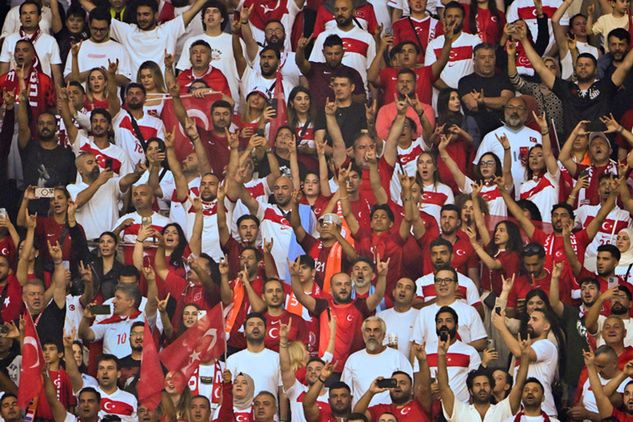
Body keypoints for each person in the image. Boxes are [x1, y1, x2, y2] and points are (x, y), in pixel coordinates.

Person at [437, 324, 530, 420]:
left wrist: (525, 356)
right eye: (477, 385)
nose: (482, 388)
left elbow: (519, 386)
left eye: (485, 384)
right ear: (470, 391)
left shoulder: (503, 409)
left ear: (491, 389)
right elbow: (444, 387)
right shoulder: (460, 410)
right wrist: (441, 355)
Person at [342, 316, 413, 406]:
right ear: (363, 334)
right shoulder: (353, 359)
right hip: (362, 417)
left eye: (376, 330)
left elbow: (409, 390)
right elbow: (346, 394)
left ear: (383, 335)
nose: (372, 334)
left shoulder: (398, 357)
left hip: (390, 417)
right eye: (368, 330)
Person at [412, 266, 487, 350]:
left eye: (447, 280)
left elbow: (482, 342)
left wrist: (455, 348)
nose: (443, 284)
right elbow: (415, 345)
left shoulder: (470, 311)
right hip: (431, 362)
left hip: (461, 361)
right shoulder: (424, 312)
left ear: (456, 285)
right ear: (435, 285)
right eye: (439, 280)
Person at [309, 0, 376, 87]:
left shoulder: (367, 38)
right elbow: (315, 69)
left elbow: (371, 72)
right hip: (330, 96)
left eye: (344, 9)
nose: (340, 13)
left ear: (353, 12)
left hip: (359, 96)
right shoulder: (323, 37)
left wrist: (374, 99)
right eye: (337, 10)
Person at [62, 7, 132, 85]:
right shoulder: (77, 48)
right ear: (89, 25)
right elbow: (67, 79)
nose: (98, 33)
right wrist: (92, 73)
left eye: (102, 29)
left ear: (109, 27)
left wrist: (106, 74)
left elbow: (126, 79)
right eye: (95, 29)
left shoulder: (120, 48)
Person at [295, 34, 365, 109]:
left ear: (343, 52)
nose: (333, 57)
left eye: (337, 53)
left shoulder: (352, 73)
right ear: (323, 52)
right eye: (329, 54)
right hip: (317, 118)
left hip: (344, 118)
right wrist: (300, 49)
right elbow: (300, 62)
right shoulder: (315, 68)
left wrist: (343, 93)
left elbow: (362, 98)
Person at [458, 43, 513, 136]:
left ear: (495, 59)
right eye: (482, 57)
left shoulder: (504, 80)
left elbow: (506, 102)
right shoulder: (465, 81)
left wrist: (482, 101)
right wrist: (496, 104)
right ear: (475, 60)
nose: (487, 61)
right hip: (475, 131)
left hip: (501, 129)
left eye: (491, 57)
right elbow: (473, 105)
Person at [0, 0, 62, 82]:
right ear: (20, 18)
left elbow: (57, 76)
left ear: (39, 17)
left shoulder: (50, 41)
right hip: (14, 91)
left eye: (32, 13)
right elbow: (2, 75)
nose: (28, 16)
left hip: (43, 91)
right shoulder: (9, 40)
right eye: (24, 13)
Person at [225, 313, 282, 400]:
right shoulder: (233, 359)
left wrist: (283, 414)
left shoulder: (277, 358)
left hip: (270, 413)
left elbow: (283, 393)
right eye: (251, 324)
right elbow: (227, 391)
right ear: (244, 332)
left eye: (259, 324)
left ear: (266, 331)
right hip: (241, 413)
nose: (255, 327)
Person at [376, 277, 418, 358]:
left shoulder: (420, 316)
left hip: (411, 368)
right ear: (394, 292)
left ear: (414, 296)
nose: (403, 290)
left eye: (408, 288)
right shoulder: (380, 316)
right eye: (399, 286)